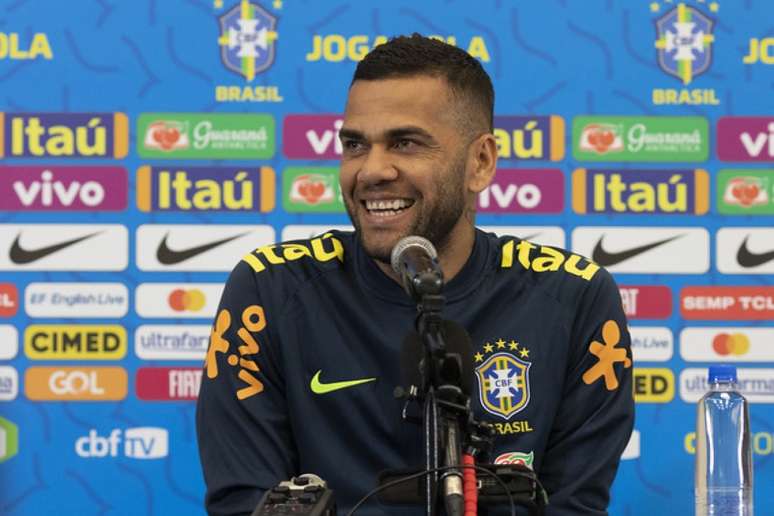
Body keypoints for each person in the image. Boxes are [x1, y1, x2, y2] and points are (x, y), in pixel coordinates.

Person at [196, 34, 634, 515]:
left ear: (481, 162)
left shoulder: (573, 298)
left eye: (405, 143)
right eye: (355, 145)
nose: (371, 170)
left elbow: (575, 506)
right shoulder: (269, 290)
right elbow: (245, 503)